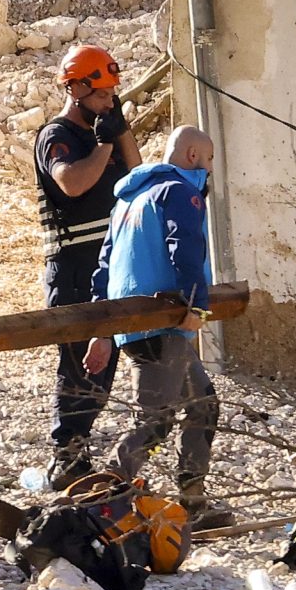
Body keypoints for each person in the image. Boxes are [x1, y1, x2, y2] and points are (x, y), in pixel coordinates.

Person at [83, 127, 225, 523]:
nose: (210, 170)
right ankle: (101, 500)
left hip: (134, 325)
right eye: (209, 160)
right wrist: (196, 306)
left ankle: (192, 502)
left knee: (203, 406)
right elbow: (187, 249)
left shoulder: (128, 200)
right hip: (165, 324)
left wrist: (104, 330)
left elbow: (104, 269)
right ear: (193, 155)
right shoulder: (178, 192)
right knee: (155, 421)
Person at [34, 45, 142, 490]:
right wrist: (101, 143)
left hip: (109, 266)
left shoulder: (107, 132)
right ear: (75, 88)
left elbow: (136, 175)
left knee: (104, 365)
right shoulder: (55, 136)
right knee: (79, 365)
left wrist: (121, 133)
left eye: (112, 93)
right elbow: (73, 183)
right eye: (100, 94)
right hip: (74, 268)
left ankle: (79, 455)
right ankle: (67, 457)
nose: (108, 102)